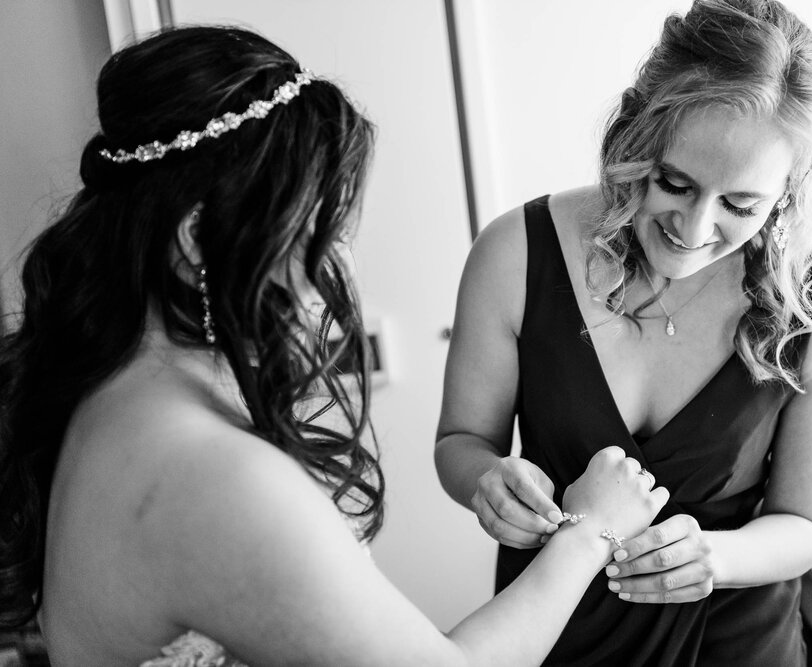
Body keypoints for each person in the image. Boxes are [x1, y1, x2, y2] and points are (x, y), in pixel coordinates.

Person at [0, 26, 669, 666]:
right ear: (196, 240)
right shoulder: (211, 474)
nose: (342, 272)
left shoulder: (108, 386)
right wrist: (591, 529)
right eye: (323, 232)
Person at [435, 0, 812, 664]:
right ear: (636, 136)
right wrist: (487, 481)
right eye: (675, 183)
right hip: (553, 638)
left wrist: (714, 556)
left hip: (736, 645)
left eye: (740, 205)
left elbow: (809, 523)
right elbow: (460, 441)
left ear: (788, 192)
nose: (695, 231)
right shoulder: (514, 255)